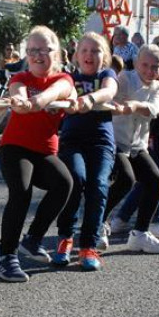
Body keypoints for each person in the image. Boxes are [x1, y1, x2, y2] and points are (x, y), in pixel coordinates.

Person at [0, 26, 75, 281]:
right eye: (32, 50)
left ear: (58, 53)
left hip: (44, 151)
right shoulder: (19, 78)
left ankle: (32, 239)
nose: (37, 55)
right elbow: (17, 93)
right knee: (21, 191)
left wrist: (37, 102)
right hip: (15, 148)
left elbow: (56, 93)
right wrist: (21, 101)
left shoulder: (63, 80)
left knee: (64, 183)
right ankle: (6, 257)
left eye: (43, 49)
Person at [104, 42, 159, 255]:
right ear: (136, 63)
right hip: (116, 141)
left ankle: (140, 234)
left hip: (137, 144)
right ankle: (98, 221)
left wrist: (135, 106)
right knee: (126, 180)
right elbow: (110, 97)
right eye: (145, 65)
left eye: (155, 67)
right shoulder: (125, 78)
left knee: (155, 180)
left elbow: (152, 109)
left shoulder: (158, 87)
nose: (149, 71)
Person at [54, 33, 119, 271]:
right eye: (85, 51)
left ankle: (88, 246)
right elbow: (58, 94)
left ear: (105, 57)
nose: (90, 55)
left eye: (96, 51)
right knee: (76, 180)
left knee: (99, 185)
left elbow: (109, 91)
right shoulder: (68, 79)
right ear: (76, 55)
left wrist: (91, 99)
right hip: (72, 141)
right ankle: (65, 237)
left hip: (101, 141)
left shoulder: (106, 75)